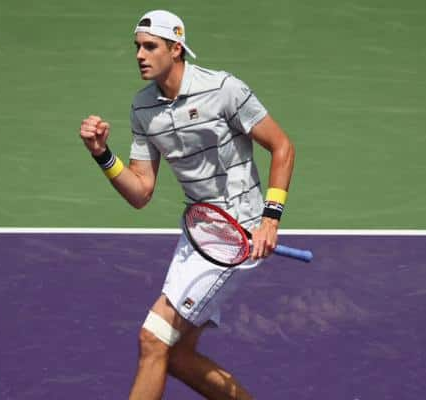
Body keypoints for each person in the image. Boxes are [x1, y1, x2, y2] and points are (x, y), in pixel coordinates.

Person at [79, 9, 295, 400]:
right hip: (199, 234)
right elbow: (141, 192)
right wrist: (102, 155)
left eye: (150, 47)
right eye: (137, 47)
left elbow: (282, 147)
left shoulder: (224, 89)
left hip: (238, 237)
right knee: (174, 356)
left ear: (176, 49)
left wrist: (270, 219)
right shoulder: (143, 107)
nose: (140, 55)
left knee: (152, 339)